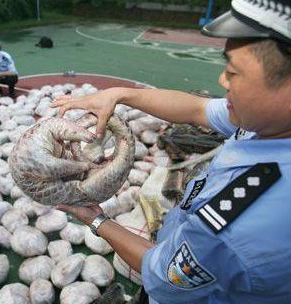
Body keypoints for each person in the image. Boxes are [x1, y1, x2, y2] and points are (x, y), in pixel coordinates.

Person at [52, 0, 291, 303]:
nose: (222, 80)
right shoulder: (268, 122)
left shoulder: (237, 226)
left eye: (233, 72)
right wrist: (119, 94)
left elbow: (163, 275)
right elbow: (196, 109)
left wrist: (97, 220)